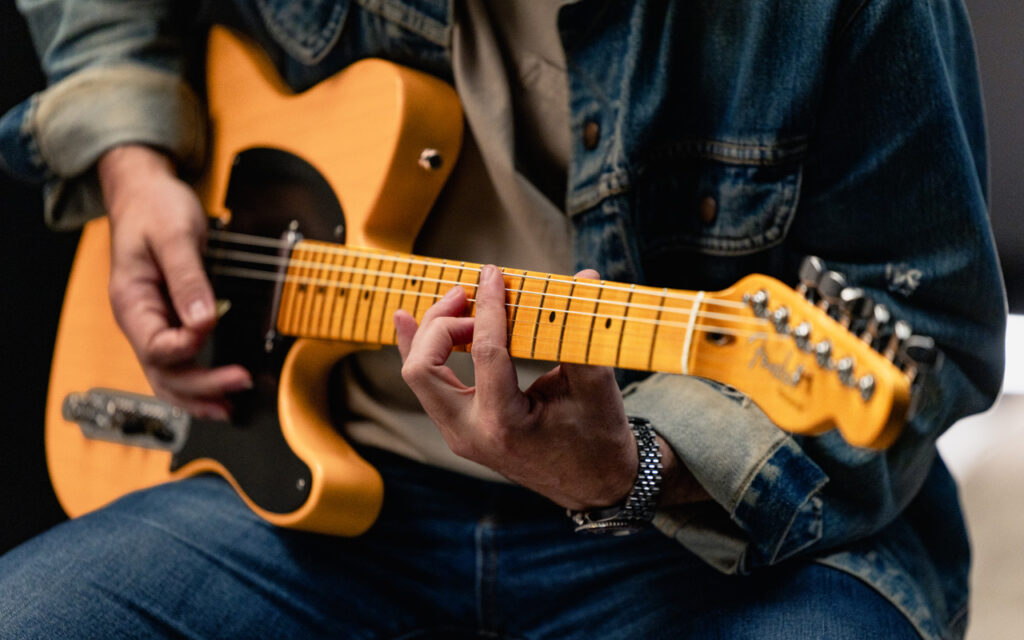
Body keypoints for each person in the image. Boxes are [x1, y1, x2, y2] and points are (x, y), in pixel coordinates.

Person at [0, 1, 1007, 638]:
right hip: (325, 496)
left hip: (701, 547)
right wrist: (131, 167)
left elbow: (934, 326)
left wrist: (638, 468)